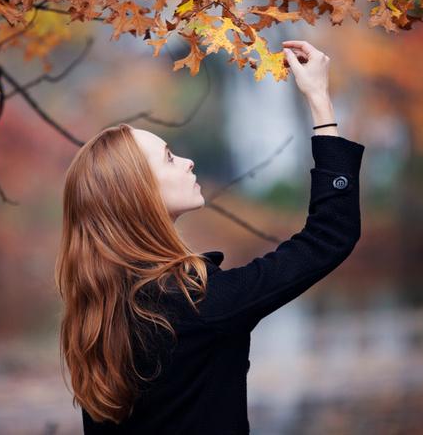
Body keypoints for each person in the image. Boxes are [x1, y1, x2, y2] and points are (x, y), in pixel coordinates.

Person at [54, 40, 366, 434]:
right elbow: (330, 235)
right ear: (139, 195)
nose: (188, 162)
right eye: (169, 157)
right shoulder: (199, 304)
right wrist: (320, 100)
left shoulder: (96, 317)